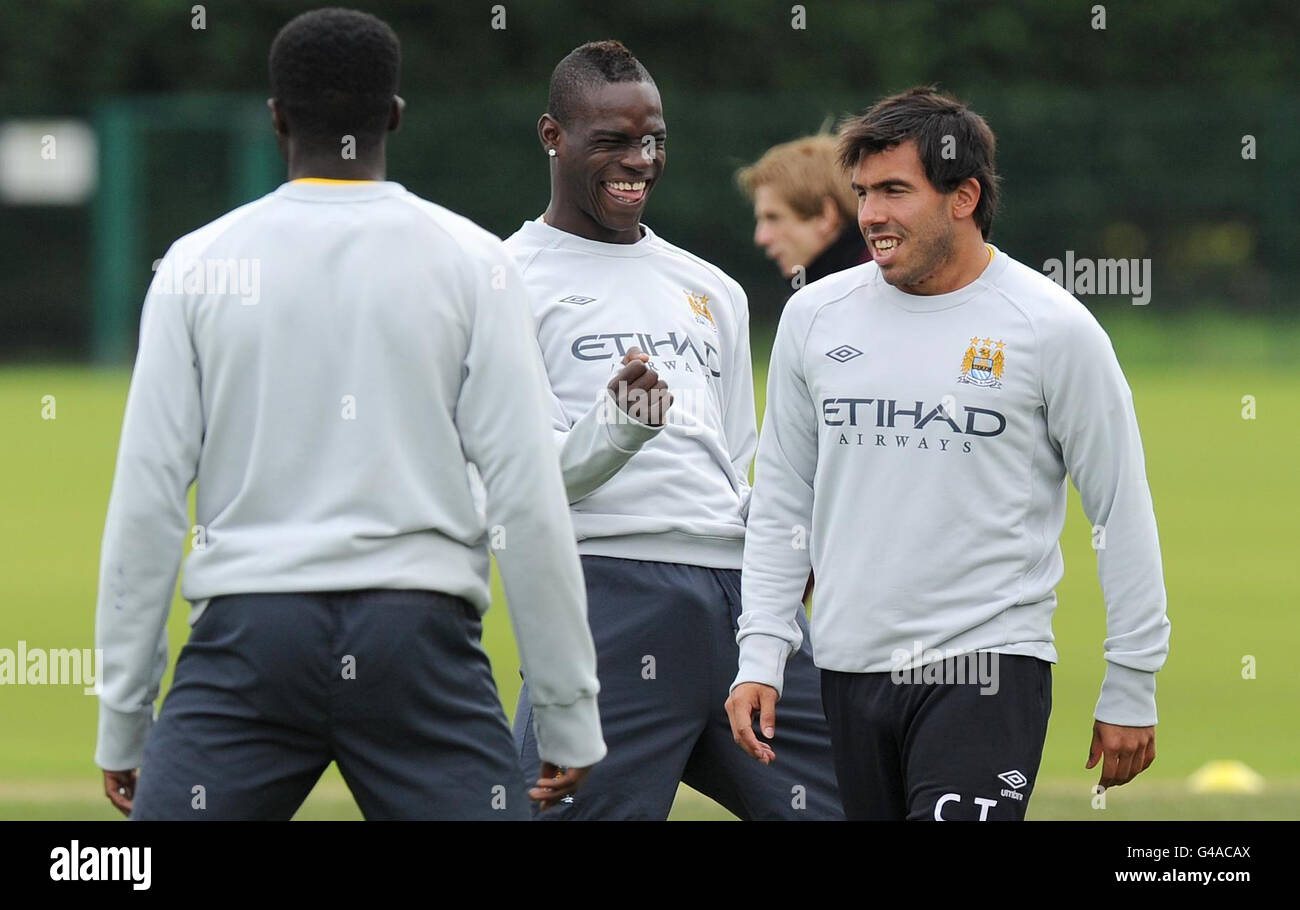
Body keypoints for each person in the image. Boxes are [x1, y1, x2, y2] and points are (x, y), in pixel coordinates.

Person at [93, 7, 603, 821]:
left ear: (276, 116)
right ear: (394, 114)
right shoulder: (473, 262)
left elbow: (147, 501)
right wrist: (569, 714)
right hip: (420, 645)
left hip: (246, 644)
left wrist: (123, 722)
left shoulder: (195, 264)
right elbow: (527, 497)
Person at [726, 87, 1170, 821]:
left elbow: (1119, 507)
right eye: (863, 192)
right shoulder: (814, 316)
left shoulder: (1051, 327)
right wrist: (762, 654)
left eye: (895, 191)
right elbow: (781, 502)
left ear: (963, 196)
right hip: (848, 667)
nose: (870, 214)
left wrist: (1132, 676)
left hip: (986, 665)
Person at [504, 40, 842, 820]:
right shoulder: (500, 281)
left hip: (747, 607)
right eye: (613, 141)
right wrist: (619, 426)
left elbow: (741, 466)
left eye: (651, 138)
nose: (639, 160)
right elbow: (519, 485)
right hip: (613, 596)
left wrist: (793, 548)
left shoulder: (712, 289)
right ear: (553, 135)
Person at [737, 133, 870, 289]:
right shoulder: (826, 290)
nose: (761, 238)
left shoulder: (873, 290)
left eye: (773, 218)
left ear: (825, 215)